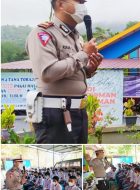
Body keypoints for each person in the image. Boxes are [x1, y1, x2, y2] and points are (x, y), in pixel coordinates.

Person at [26, 0, 103, 144]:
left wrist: (89, 69)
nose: (83, 6)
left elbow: (72, 71)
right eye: (79, 1)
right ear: (61, 4)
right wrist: (83, 54)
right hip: (56, 113)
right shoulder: (43, 33)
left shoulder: (76, 37)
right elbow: (48, 72)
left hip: (78, 111)